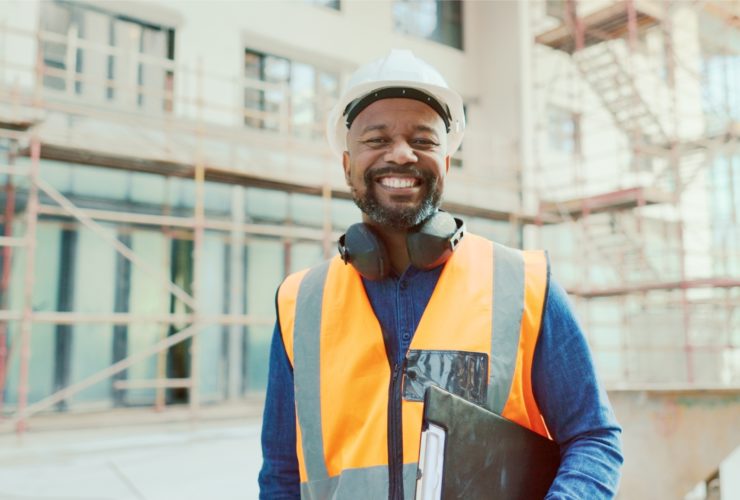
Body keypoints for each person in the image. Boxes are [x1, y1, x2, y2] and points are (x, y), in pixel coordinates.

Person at [258, 49, 623, 500]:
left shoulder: (524, 285)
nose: (402, 154)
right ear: (347, 163)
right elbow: (280, 473)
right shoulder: (300, 302)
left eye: (424, 140)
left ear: (446, 163)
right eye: (376, 139)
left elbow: (593, 438)